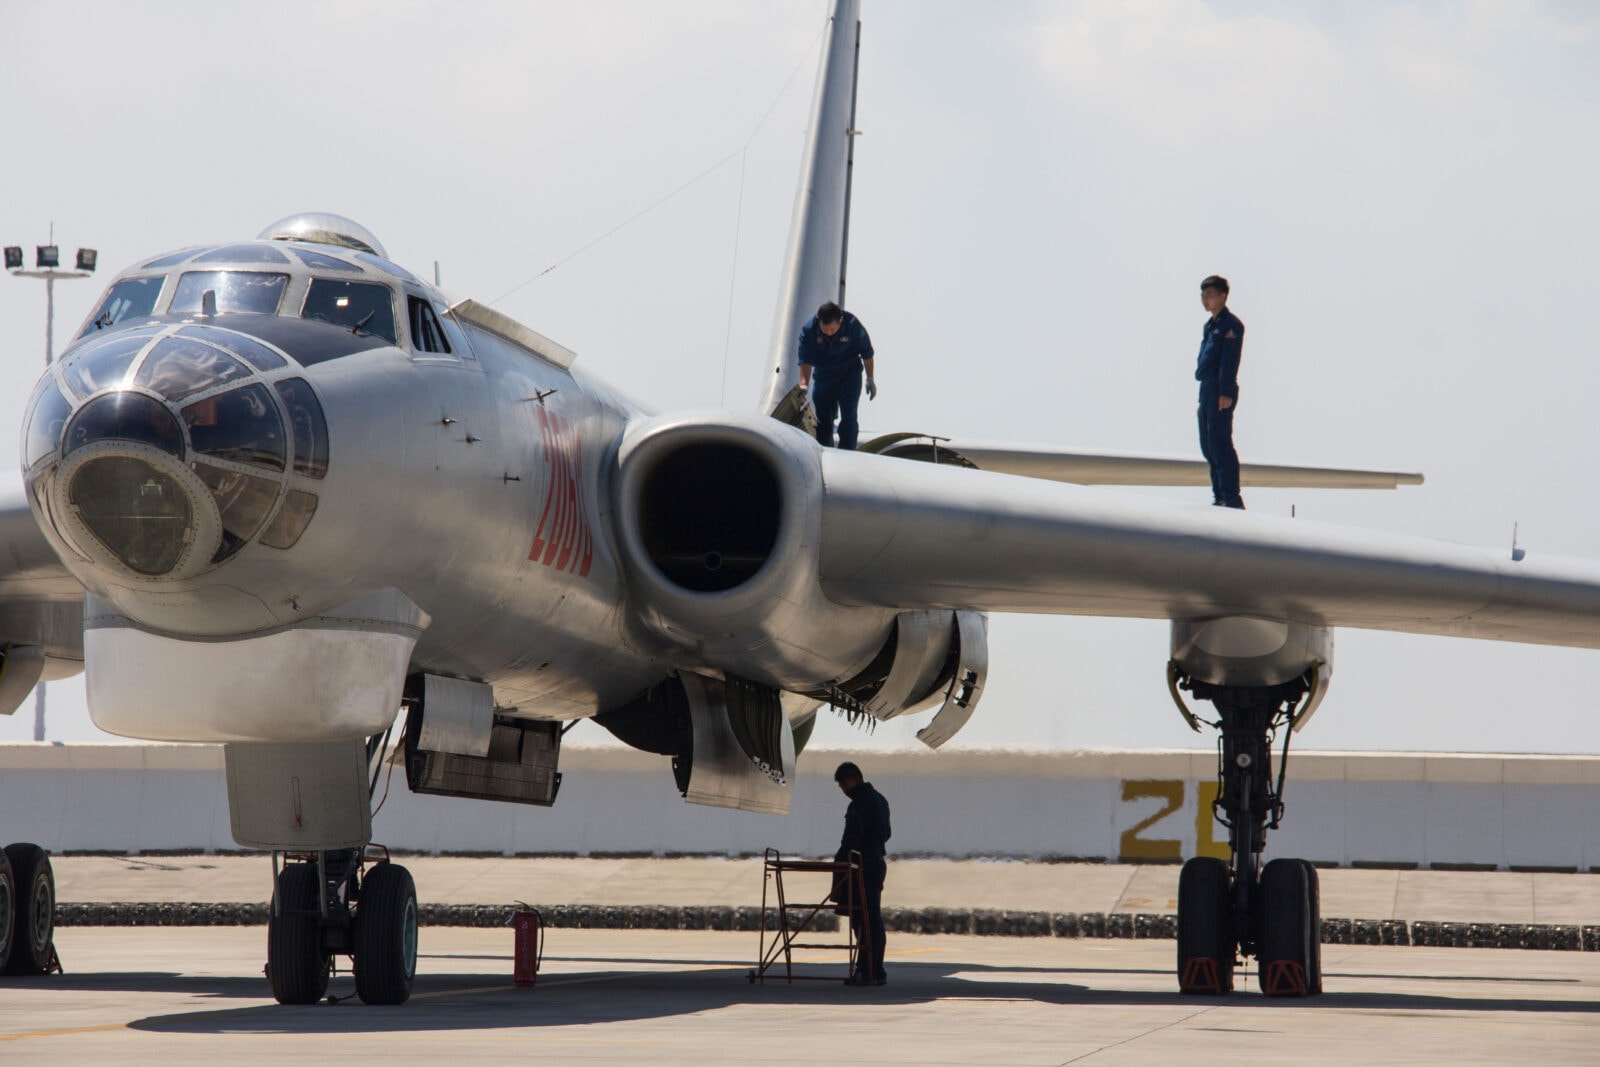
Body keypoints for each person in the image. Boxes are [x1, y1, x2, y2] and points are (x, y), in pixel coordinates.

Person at [833, 760, 890, 986]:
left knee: (863, 919)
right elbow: (887, 833)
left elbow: (852, 838)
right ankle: (873, 969)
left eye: (843, 785)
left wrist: (841, 861)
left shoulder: (859, 803)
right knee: (872, 916)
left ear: (851, 780)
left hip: (861, 867)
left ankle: (868, 970)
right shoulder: (880, 799)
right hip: (876, 864)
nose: (843, 790)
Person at [1195, 274, 1245, 509]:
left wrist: (1225, 392)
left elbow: (1229, 361)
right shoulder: (1210, 326)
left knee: (1220, 444)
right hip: (1206, 390)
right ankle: (1219, 496)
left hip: (1220, 390)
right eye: (1203, 295)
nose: (1205, 299)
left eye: (1210, 295)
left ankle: (1230, 497)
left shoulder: (1231, 325)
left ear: (1223, 296)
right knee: (1207, 446)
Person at [798, 301, 876, 450]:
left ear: (840, 320)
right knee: (823, 418)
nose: (829, 333)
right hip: (824, 375)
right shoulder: (809, 330)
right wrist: (804, 384)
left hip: (849, 374)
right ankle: (824, 450)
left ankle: (847, 452)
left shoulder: (853, 326)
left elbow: (867, 353)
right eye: (825, 330)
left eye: (832, 330)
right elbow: (804, 359)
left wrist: (870, 378)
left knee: (849, 415)